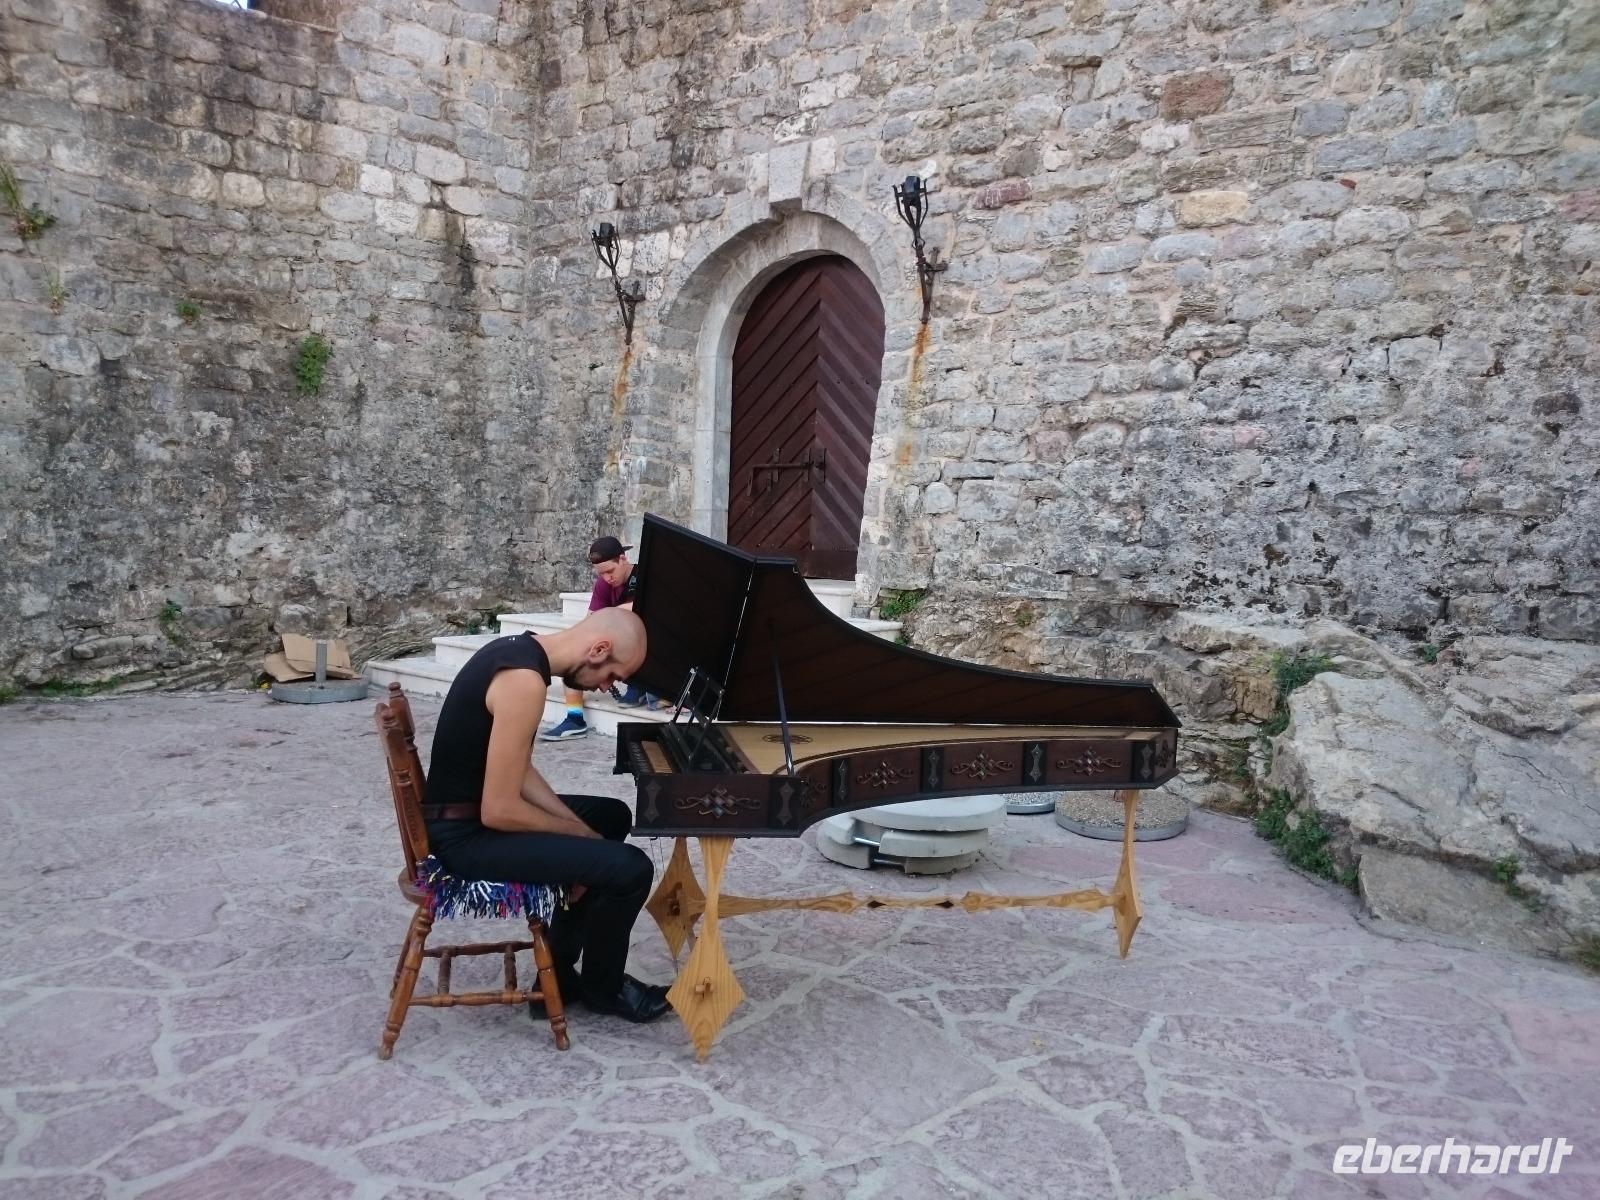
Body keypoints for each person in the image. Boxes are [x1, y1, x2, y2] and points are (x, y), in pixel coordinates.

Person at [423, 607, 672, 1023]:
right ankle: (602, 988)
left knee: (609, 817)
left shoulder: (516, 650)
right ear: (598, 649)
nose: (605, 687)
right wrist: (578, 837)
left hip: (464, 815)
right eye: (613, 677)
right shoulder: (524, 683)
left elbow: (519, 772)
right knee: (630, 869)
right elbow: (500, 809)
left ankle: (555, 975)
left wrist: (579, 832)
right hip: (465, 837)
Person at [540, 535, 646, 740]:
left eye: (610, 571)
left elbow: (639, 612)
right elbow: (590, 621)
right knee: (574, 653)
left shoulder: (642, 576)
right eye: (601, 573)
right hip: (610, 643)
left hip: (641, 644)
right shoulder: (604, 584)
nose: (607, 578)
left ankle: (639, 687)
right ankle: (574, 717)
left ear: (622, 559)